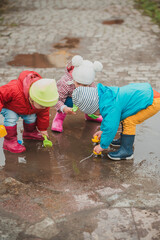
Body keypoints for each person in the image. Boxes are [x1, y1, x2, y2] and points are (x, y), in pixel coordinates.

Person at [72, 82, 160, 160]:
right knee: (124, 116)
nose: (99, 114)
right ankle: (124, 140)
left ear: (94, 106)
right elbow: (108, 119)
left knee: (129, 121)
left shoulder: (111, 107)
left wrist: (102, 146)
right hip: (144, 93)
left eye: (96, 112)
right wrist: (102, 130)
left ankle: (127, 151)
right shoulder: (105, 96)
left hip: (152, 101)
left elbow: (111, 126)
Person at [0, 70, 59, 153]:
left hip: (26, 109)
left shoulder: (43, 100)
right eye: (42, 106)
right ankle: (9, 141)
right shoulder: (14, 89)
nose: (44, 108)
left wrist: (43, 129)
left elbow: (43, 115)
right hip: (9, 107)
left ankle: (29, 133)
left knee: (31, 116)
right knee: (11, 117)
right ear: (32, 98)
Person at [51, 55, 103, 132]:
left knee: (91, 97)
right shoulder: (65, 83)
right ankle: (59, 118)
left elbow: (94, 96)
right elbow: (57, 99)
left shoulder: (90, 82)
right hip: (69, 98)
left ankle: (89, 115)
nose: (80, 88)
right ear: (74, 79)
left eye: (85, 85)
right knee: (65, 101)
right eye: (78, 83)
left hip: (81, 98)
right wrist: (63, 108)